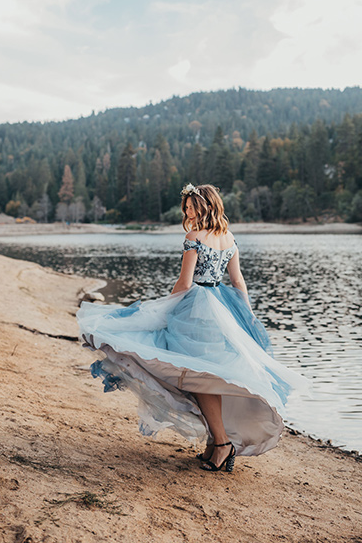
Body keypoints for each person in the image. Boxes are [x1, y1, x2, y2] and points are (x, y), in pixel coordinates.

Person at [77, 183, 307, 473]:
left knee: (200, 377)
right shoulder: (229, 237)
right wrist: (245, 312)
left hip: (198, 309)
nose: (186, 212)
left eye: (190, 206)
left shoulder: (194, 237)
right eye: (185, 207)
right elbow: (237, 281)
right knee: (207, 375)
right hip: (223, 308)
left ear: (205, 206)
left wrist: (164, 308)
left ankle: (222, 444)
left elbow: (185, 283)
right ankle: (216, 442)